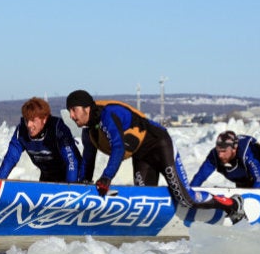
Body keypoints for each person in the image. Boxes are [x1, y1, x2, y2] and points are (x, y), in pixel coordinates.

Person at [66, 89, 245, 223]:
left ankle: (231, 204)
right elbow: (88, 159)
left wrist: (106, 177)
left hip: (160, 145)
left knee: (185, 198)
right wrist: (82, 186)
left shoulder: (107, 115)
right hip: (142, 155)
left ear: (87, 108)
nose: (72, 116)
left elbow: (118, 148)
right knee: (145, 202)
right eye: (69, 111)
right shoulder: (89, 131)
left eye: (74, 110)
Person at [0, 97, 82, 183]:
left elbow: (72, 162)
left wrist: (71, 187)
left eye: (33, 120)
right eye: (26, 120)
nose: (28, 125)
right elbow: (10, 159)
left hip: (73, 176)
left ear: (44, 119)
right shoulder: (21, 132)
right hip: (47, 178)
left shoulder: (57, 129)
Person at [190, 130, 260, 188]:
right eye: (218, 151)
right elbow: (200, 176)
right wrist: (190, 193)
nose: (220, 155)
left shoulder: (246, 153)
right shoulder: (214, 155)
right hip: (241, 178)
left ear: (234, 149)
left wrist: (254, 197)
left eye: (224, 151)